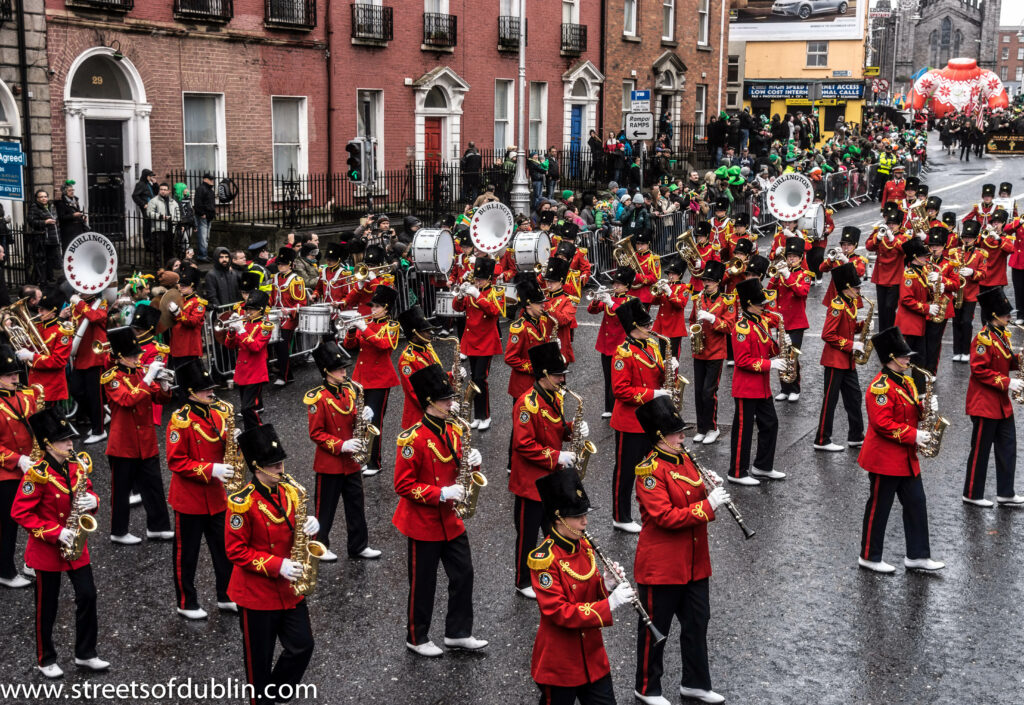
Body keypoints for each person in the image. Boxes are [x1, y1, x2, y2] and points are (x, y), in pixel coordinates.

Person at [633, 396, 728, 705]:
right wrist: (707, 505)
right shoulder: (648, 472)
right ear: (660, 437)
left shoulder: (684, 457)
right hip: (662, 566)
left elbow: (691, 487)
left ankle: (696, 683)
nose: (683, 437)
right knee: (656, 631)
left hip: (694, 562)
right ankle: (647, 688)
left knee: (698, 623)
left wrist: (707, 485)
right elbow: (665, 517)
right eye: (677, 433)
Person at [394, 364, 487, 657]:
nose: (452, 404)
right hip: (423, 522)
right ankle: (416, 636)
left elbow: (461, 470)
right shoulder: (412, 439)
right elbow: (403, 485)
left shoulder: (456, 430)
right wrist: (440, 493)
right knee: (424, 582)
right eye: (447, 400)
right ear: (430, 403)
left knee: (464, 574)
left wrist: (474, 462)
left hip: (451, 519)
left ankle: (458, 632)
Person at [11, 407, 107, 678]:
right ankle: (46, 658)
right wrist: (54, 532)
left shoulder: (76, 466)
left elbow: (85, 493)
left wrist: (94, 501)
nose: (70, 444)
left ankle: (86, 653)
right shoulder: (36, 475)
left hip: (76, 544)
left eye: (70, 439)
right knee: (47, 605)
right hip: (47, 550)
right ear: (48, 445)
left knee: (88, 595)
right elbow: (20, 512)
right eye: (64, 440)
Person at [225, 424, 317, 705]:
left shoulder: (290, 491)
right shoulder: (241, 504)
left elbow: (294, 526)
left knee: (302, 645)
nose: (281, 470)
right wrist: (277, 565)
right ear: (258, 468)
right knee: (258, 662)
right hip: (257, 595)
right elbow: (235, 550)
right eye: (274, 466)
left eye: (281, 464)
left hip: (289, 590)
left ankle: (277, 692)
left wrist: (311, 526)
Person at [529, 468, 632, 704]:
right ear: (559, 519)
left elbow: (587, 590)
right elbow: (559, 612)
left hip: (592, 656)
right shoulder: (543, 559)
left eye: (585, 515)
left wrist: (605, 584)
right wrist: (610, 605)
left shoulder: (583, 545)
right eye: (578, 517)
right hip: (560, 664)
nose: (585, 521)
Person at [857, 326, 944, 574]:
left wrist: (925, 405)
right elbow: (882, 424)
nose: (909, 359)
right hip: (884, 459)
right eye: (904, 356)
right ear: (891, 359)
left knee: (917, 503)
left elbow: (910, 408)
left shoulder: (905, 380)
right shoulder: (880, 387)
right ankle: (869, 556)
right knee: (879, 508)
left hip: (905, 457)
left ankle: (917, 555)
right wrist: (914, 435)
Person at [509, 341, 589, 599]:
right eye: (558, 375)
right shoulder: (526, 404)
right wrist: (556, 456)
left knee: (551, 531)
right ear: (543, 375)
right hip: (530, 482)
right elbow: (523, 444)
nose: (562, 380)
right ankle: (522, 581)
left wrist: (572, 427)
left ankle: (551, 573)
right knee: (528, 534)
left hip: (550, 477)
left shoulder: (553, 395)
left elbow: (554, 428)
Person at [165, 359, 236, 619]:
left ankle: (226, 595)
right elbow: (176, 461)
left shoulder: (218, 413)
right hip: (190, 498)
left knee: (223, 549)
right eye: (206, 390)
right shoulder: (180, 421)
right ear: (192, 392)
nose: (212, 393)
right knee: (187, 555)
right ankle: (186, 602)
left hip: (215, 496)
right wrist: (210, 470)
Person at [305, 340, 381, 561]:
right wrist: (341, 445)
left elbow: (352, 419)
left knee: (356, 505)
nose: (344, 372)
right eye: (340, 369)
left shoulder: (350, 390)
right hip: (330, 463)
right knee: (325, 509)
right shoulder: (317, 398)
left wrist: (364, 416)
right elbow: (316, 433)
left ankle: (358, 545)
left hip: (351, 461)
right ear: (327, 372)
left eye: (344, 368)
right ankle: (319, 545)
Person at [103, 327, 173, 545]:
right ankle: (119, 531)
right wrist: (149, 377)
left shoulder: (141, 372)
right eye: (133, 356)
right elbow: (127, 400)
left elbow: (158, 399)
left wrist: (163, 384)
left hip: (146, 440)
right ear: (121, 357)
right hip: (123, 442)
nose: (137, 359)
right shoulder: (111, 378)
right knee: (121, 491)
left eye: (137, 355)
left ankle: (158, 527)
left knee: (154, 485)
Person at [962, 289, 1024, 507]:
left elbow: (1006, 361)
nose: (1010, 317)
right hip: (984, 404)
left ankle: (1005, 492)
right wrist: (1008, 382)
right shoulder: (983, 339)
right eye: (1006, 314)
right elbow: (978, 370)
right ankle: (971, 493)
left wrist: (1019, 360)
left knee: (1007, 447)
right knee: (981, 452)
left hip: (1000, 404)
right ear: (995, 315)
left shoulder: (1001, 335)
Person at [610, 298, 668, 532]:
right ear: (634, 327)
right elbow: (621, 391)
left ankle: (650, 509)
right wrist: (654, 393)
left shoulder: (652, 345)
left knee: (651, 467)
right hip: (630, 422)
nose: (650, 327)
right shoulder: (623, 354)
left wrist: (669, 368)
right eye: (646, 325)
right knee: (626, 472)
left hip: (652, 418)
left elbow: (658, 373)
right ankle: (620, 516)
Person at [728, 279, 784, 486]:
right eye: (760, 303)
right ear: (749, 304)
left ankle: (763, 465)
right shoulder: (742, 328)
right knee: (743, 431)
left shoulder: (760, 322)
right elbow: (742, 361)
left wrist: (778, 348)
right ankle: (736, 471)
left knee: (770, 424)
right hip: (746, 388)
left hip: (762, 387)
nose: (764, 306)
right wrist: (771, 365)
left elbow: (766, 348)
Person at [341, 284, 400, 475]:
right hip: (360, 378)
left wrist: (364, 328)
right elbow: (350, 346)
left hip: (380, 379)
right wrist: (351, 331)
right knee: (359, 420)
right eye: (372, 306)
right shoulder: (367, 321)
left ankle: (374, 462)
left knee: (374, 422)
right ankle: (361, 457)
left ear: (386, 308)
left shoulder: (391, 326)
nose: (372, 309)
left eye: (376, 307)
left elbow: (384, 345)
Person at [0, 346, 43, 589]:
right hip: (6, 471)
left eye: (16, 373)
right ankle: (5, 570)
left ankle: (32, 561)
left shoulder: (27, 396)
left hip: (32, 464)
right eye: (9, 375)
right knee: (8, 524)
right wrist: (18, 460)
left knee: (37, 516)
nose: (15, 378)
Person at [813, 263, 867, 452]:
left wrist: (862, 326)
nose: (859, 291)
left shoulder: (849, 302)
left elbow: (848, 325)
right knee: (830, 400)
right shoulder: (836, 304)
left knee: (854, 397)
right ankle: (821, 439)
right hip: (835, 360)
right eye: (857, 287)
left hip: (848, 360)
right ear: (847, 287)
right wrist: (852, 345)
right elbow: (827, 334)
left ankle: (856, 435)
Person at [451, 257, 505, 431]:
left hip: (486, 341)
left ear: (489, 279)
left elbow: (494, 311)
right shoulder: (472, 290)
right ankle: (477, 416)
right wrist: (460, 296)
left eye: (481, 279)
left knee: (480, 379)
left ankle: (485, 416)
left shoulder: (495, 292)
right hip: (471, 340)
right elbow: (458, 308)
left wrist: (477, 295)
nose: (477, 282)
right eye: (476, 279)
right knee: (474, 379)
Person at [689, 261, 735, 445]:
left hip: (716, 352)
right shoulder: (698, 299)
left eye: (708, 281)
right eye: (704, 280)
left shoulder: (727, 301)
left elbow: (730, 326)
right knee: (699, 391)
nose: (705, 284)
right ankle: (701, 428)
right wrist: (693, 328)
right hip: (699, 351)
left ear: (717, 282)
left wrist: (713, 318)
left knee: (709, 392)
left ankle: (713, 428)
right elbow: (692, 320)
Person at [767, 237, 812, 402]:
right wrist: (777, 275)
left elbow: (802, 292)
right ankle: (784, 388)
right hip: (781, 322)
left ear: (800, 258)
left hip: (796, 322)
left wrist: (787, 275)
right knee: (781, 355)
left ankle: (795, 388)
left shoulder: (805, 275)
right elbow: (769, 291)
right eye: (789, 256)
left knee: (792, 356)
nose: (791, 259)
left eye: (794, 256)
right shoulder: (781, 272)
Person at [587, 266, 635, 419]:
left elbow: (625, 315)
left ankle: (619, 406)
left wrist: (610, 303)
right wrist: (596, 299)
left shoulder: (631, 301)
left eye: (619, 284)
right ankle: (609, 406)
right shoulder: (610, 297)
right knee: (608, 376)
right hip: (606, 344)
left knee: (619, 378)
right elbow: (591, 311)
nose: (614, 286)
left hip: (620, 345)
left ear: (627, 286)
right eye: (614, 283)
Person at [224, 290, 273, 429]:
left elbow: (256, 347)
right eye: (248, 309)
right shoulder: (244, 323)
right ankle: (252, 435)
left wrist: (241, 331)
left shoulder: (265, 326)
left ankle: (260, 433)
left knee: (248, 409)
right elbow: (229, 345)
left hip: (255, 372)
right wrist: (232, 331)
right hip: (242, 371)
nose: (248, 312)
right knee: (246, 411)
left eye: (252, 309)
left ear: (260, 310)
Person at [69, 289, 110, 445]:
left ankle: (99, 431)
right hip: (81, 353)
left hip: (94, 355)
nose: (80, 292)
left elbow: (94, 317)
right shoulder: (77, 305)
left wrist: (78, 303)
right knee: (76, 390)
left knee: (95, 396)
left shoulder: (101, 303)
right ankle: (101, 416)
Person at [23, 289, 74, 407]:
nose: (39, 312)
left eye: (42, 310)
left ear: (53, 312)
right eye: (38, 309)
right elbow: (30, 348)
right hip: (35, 383)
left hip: (51, 386)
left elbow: (59, 361)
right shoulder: (37, 326)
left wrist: (32, 356)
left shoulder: (62, 331)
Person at [866, 205, 911, 333]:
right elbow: (869, 246)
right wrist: (878, 238)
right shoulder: (880, 232)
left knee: (890, 307)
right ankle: (882, 334)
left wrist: (893, 239)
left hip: (895, 277)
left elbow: (905, 250)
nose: (891, 226)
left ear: (899, 225)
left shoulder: (903, 237)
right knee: (882, 309)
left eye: (894, 224)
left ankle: (891, 333)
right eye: (889, 223)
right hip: (881, 276)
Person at [950, 220, 988, 362]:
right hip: (955, 293)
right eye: (965, 237)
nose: (967, 240)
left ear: (975, 239)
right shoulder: (954, 253)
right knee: (956, 322)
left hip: (971, 294)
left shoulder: (980, 254)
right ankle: (956, 351)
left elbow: (984, 274)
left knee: (966, 322)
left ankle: (965, 351)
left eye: (970, 238)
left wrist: (972, 272)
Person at [269, 247, 308, 386]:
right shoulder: (275, 278)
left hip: (290, 318)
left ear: (291, 264)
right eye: (279, 264)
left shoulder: (296, 280)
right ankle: (288, 375)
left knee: (282, 346)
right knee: (276, 346)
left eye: (284, 264)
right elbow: (272, 298)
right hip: (277, 316)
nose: (281, 266)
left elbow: (301, 303)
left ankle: (283, 376)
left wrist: (290, 311)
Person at [166, 266, 206, 376]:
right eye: (181, 285)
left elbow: (193, 321)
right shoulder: (179, 299)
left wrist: (178, 313)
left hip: (189, 347)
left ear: (192, 286)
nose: (182, 287)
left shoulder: (198, 303)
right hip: (177, 345)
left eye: (185, 285)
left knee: (190, 379)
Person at [651, 258, 690, 360]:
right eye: (669, 273)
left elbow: (681, 304)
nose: (670, 276)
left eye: (673, 274)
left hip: (674, 327)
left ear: (680, 275)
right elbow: (654, 301)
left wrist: (669, 293)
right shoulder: (666, 286)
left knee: (673, 358)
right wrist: (659, 292)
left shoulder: (684, 287)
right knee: (663, 356)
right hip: (662, 325)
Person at [27, 189, 61, 285]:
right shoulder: (34, 207)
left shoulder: (50, 206)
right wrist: (44, 222)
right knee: (41, 259)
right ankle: (41, 279)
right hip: (41, 238)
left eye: (45, 196)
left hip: (53, 237)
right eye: (41, 197)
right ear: (37, 199)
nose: (43, 198)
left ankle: (50, 277)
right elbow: (31, 221)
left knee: (50, 259)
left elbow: (56, 218)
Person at [146, 183, 182, 264]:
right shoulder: (153, 201)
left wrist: (176, 223)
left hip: (170, 228)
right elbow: (149, 213)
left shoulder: (173, 202)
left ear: (168, 191)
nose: (163, 191)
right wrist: (161, 217)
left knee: (169, 249)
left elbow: (178, 214)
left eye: (165, 190)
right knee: (157, 250)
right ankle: (158, 267)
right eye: (161, 189)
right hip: (159, 228)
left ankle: (168, 265)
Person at [54, 181, 88, 251]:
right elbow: (61, 217)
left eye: (72, 190)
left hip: (78, 230)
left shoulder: (75, 201)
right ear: (64, 192)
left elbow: (77, 214)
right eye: (69, 190)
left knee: (79, 249)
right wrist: (73, 215)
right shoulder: (61, 203)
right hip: (68, 232)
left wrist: (82, 218)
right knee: (69, 250)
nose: (72, 192)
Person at [193, 173, 216, 263]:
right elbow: (197, 202)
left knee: (206, 237)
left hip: (208, 216)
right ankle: (202, 256)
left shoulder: (209, 190)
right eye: (210, 179)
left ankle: (204, 255)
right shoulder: (202, 189)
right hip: (203, 216)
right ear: (205, 179)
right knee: (203, 237)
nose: (212, 181)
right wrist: (202, 213)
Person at [132, 169, 157, 250]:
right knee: (147, 226)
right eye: (150, 176)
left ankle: (152, 244)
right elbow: (135, 196)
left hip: (152, 207)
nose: (151, 178)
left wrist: (155, 183)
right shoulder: (140, 184)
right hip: (146, 208)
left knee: (152, 225)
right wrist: (143, 204)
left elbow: (156, 192)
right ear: (146, 176)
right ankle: (148, 246)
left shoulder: (149, 184)